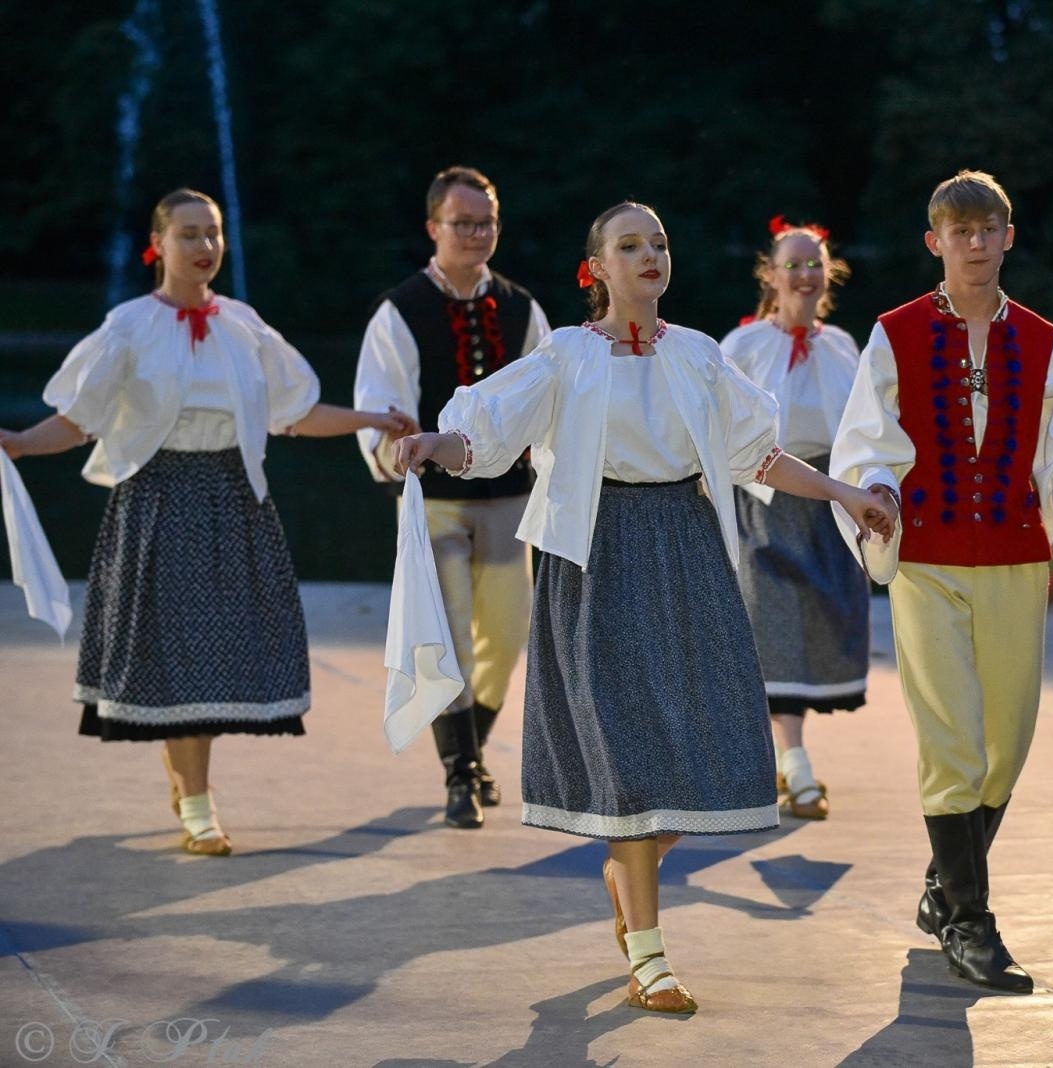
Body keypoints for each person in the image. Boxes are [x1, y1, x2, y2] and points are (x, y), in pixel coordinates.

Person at [391, 202, 895, 1014]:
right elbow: (484, 433)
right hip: (594, 553)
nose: (650, 254)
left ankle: (629, 869)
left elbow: (756, 454)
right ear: (597, 270)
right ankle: (651, 958)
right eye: (630, 245)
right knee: (626, 757)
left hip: (686, 548)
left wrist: (840, 489)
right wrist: (431, 447)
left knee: (703, 748)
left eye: (660, 241)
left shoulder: (697, 355)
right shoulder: (563, 357)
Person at [0, 188, 415, 857]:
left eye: (214, 234)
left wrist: (369, 420)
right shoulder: (128, 326)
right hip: (158, 501)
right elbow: (81, 420)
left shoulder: (244, 326)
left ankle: (189, 789)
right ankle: (198, 804)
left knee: (218, 660)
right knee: (183, 663)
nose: (204, 247)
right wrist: (19, 442)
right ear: (157, 245)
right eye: (189, 234)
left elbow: (295, 414)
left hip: (233, 499)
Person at [831, 171, 1053, 993]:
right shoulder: (893, 333)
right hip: (924, 558)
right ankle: (970, 919)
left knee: (1008, 745)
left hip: (1015, 560)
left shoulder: (1042, 338)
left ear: (1009, 235)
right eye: (961, 231)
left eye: (990, 228)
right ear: (935, 242)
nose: (976, 243)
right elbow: (865, 444)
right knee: (951, 739)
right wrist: (877, 497)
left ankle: (942, 883)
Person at [355, 166, 551, 830]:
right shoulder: (401, 310)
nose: (476, 233)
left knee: (506, 630)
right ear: (433, 227)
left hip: (508, 496)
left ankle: (471, 752)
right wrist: (395, 449)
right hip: (436, 497)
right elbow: (380, 404)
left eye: (486, 221)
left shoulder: (523, 308)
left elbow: (546, 400)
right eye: (463, 222)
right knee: (449, 636)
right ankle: (460, 774)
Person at [721, 215, 868, 821]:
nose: (805, 274)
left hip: (827, 501)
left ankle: (774, 762)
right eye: (794, 264)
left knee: (820, 627)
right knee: (772, 626)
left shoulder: (842, 346)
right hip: (762, 499)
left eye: (815, 264)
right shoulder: (744, 346)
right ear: (771, 274)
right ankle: (795, 766)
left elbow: (865, 429)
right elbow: (716, 422)